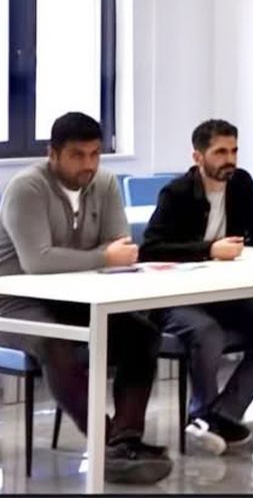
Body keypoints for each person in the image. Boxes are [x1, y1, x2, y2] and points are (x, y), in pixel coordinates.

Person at [0, 112, 171, 484]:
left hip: (72, 295)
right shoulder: (26, 188)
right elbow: (37, 262)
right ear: (53, 154)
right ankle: (106, 442)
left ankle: (126, 439)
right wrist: (102, 257)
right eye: (77, 155)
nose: (88, 164)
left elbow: (121, 244)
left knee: (141, 334)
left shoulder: (104, 182)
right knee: (55, 342)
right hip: (13, 300)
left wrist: (100, 256)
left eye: (95, 154)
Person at [140, 119, 253, 455]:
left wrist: (245, 246)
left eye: (234, 151)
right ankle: (201, 412)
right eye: (220, 152)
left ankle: (220, 415)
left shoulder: (241, 184)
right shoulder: (177, 193)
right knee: (207, 332)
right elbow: (150, 248)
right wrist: (209, 249)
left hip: (223, 293)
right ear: (198, 157)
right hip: (175, 298)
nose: (230, 160)